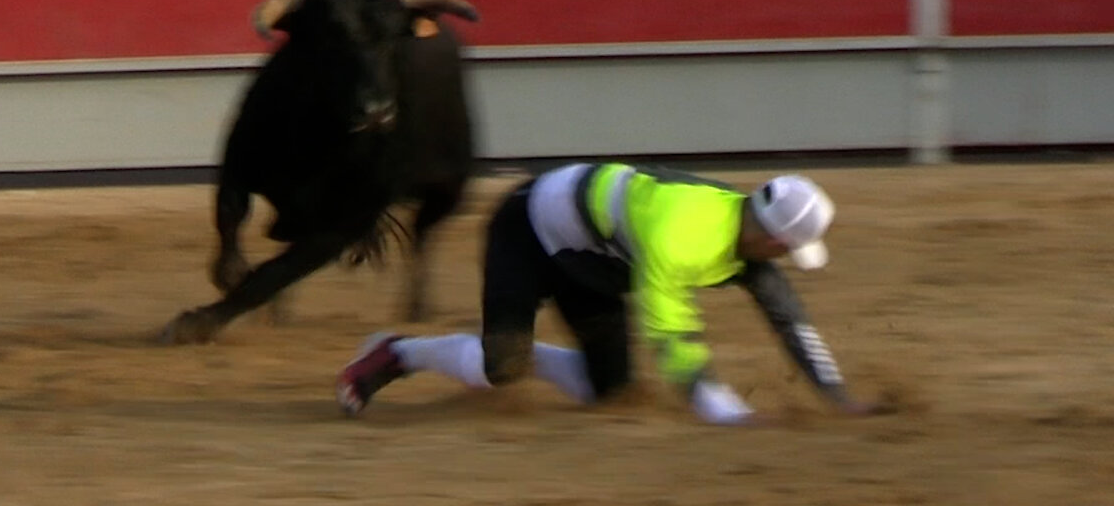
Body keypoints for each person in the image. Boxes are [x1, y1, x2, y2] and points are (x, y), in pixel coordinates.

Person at [335, 162, 886, 425]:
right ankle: (398, 353)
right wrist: (725, 412)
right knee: (498, 367)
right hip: (526, 230)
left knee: (609, 392)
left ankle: (523, 355)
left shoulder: (747, 233)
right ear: (773, 238)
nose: (785, 261)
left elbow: (790, 319)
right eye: (789, 250)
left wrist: (838, 397)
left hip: (593, 260)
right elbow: (671, 333)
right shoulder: (680, 233)